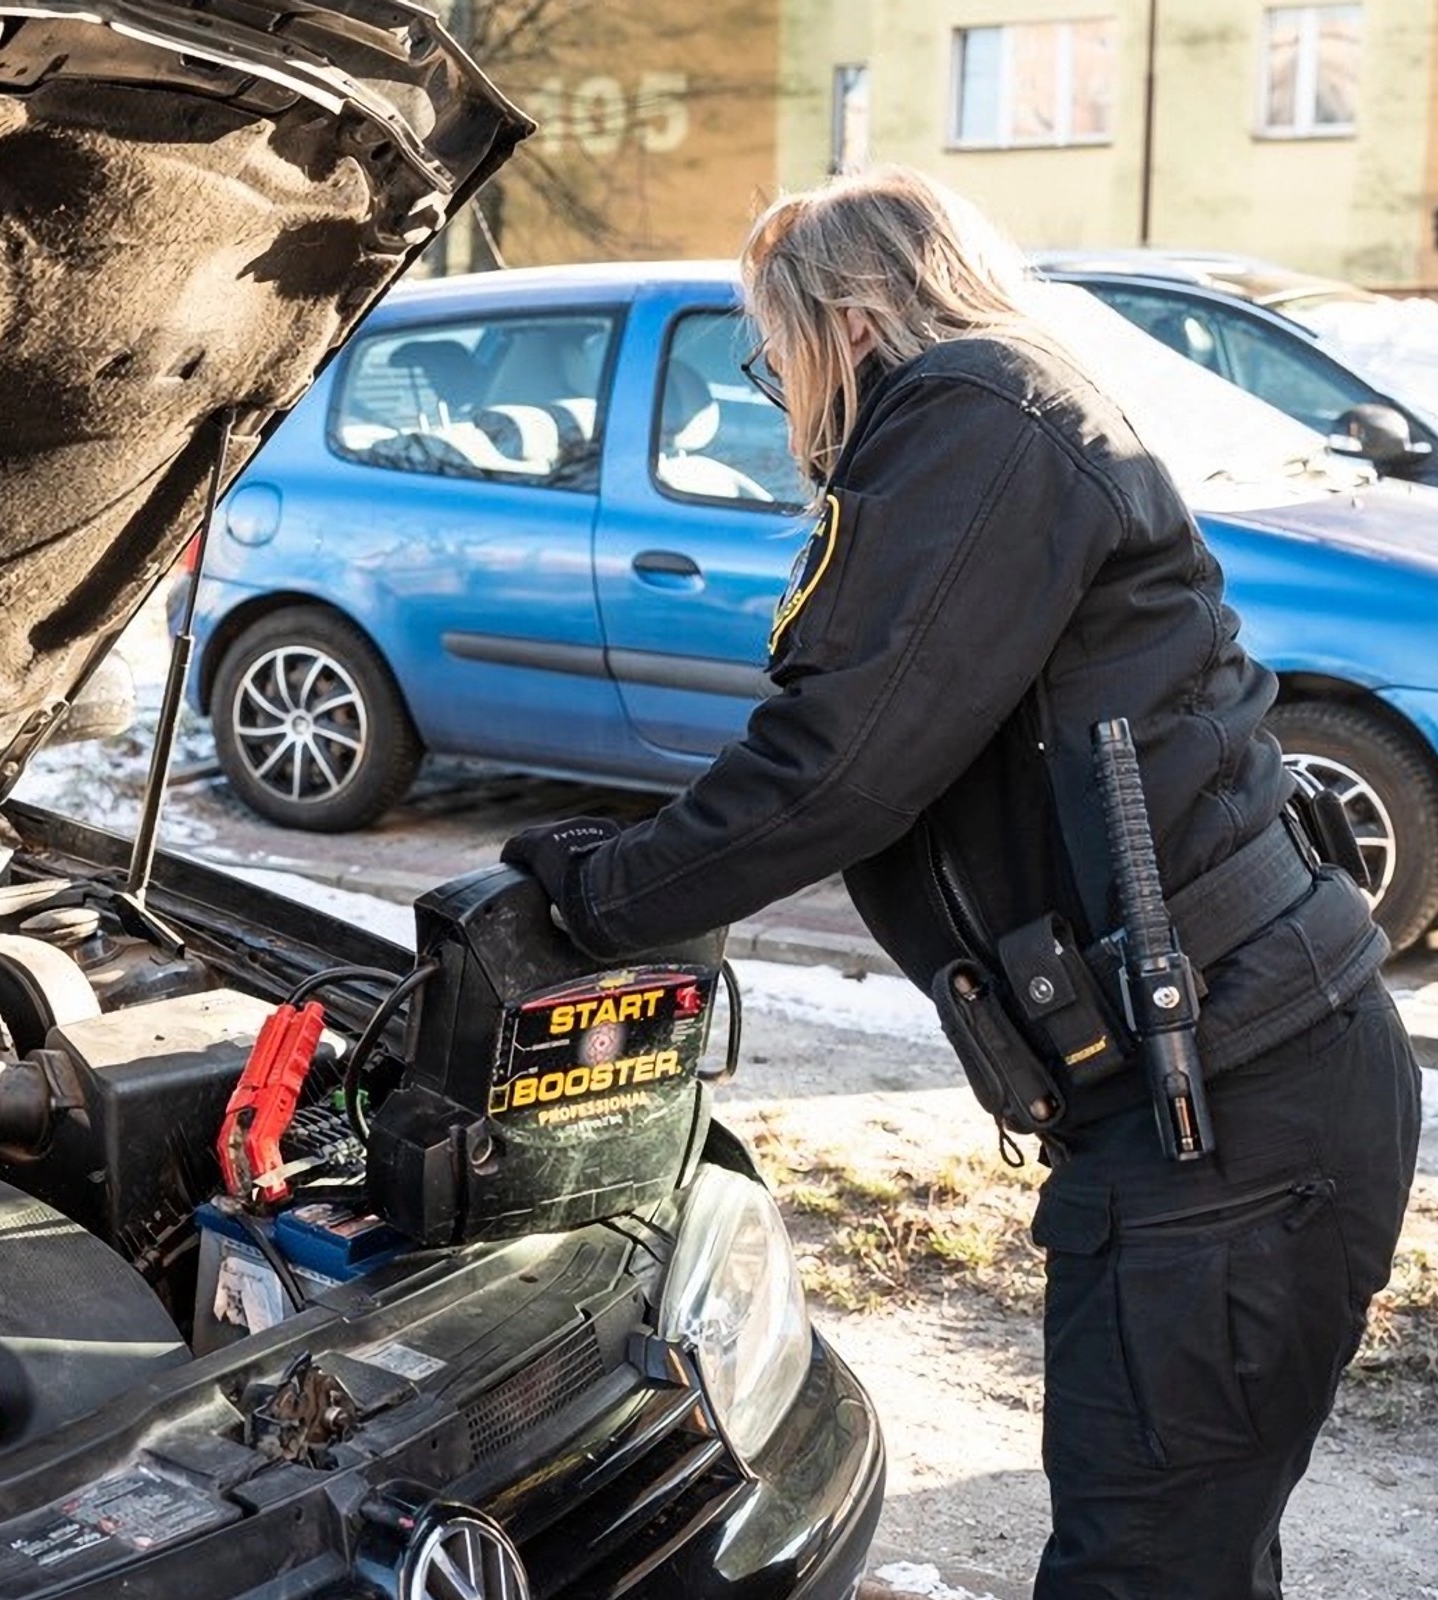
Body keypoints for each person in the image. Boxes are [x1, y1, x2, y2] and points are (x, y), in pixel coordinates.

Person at [500, 167, 1421, 1600]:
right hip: (1219, 1095)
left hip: (1238, 1112)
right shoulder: (1001, 416)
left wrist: (593, 893)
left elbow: (843, 762)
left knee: (1145, 1567)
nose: (776, 390)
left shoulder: (975, 419)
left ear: (848, 319)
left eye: (770, 352)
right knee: (1174, 1555)